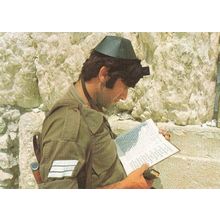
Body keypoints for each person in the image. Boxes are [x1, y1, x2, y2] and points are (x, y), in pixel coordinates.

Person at [37, 35, 168, 189]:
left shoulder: (89, 109)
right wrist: (125, 187)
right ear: (104, 74)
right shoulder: (66, 124)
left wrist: (149, 143)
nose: (125, 96)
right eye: (124, 86)